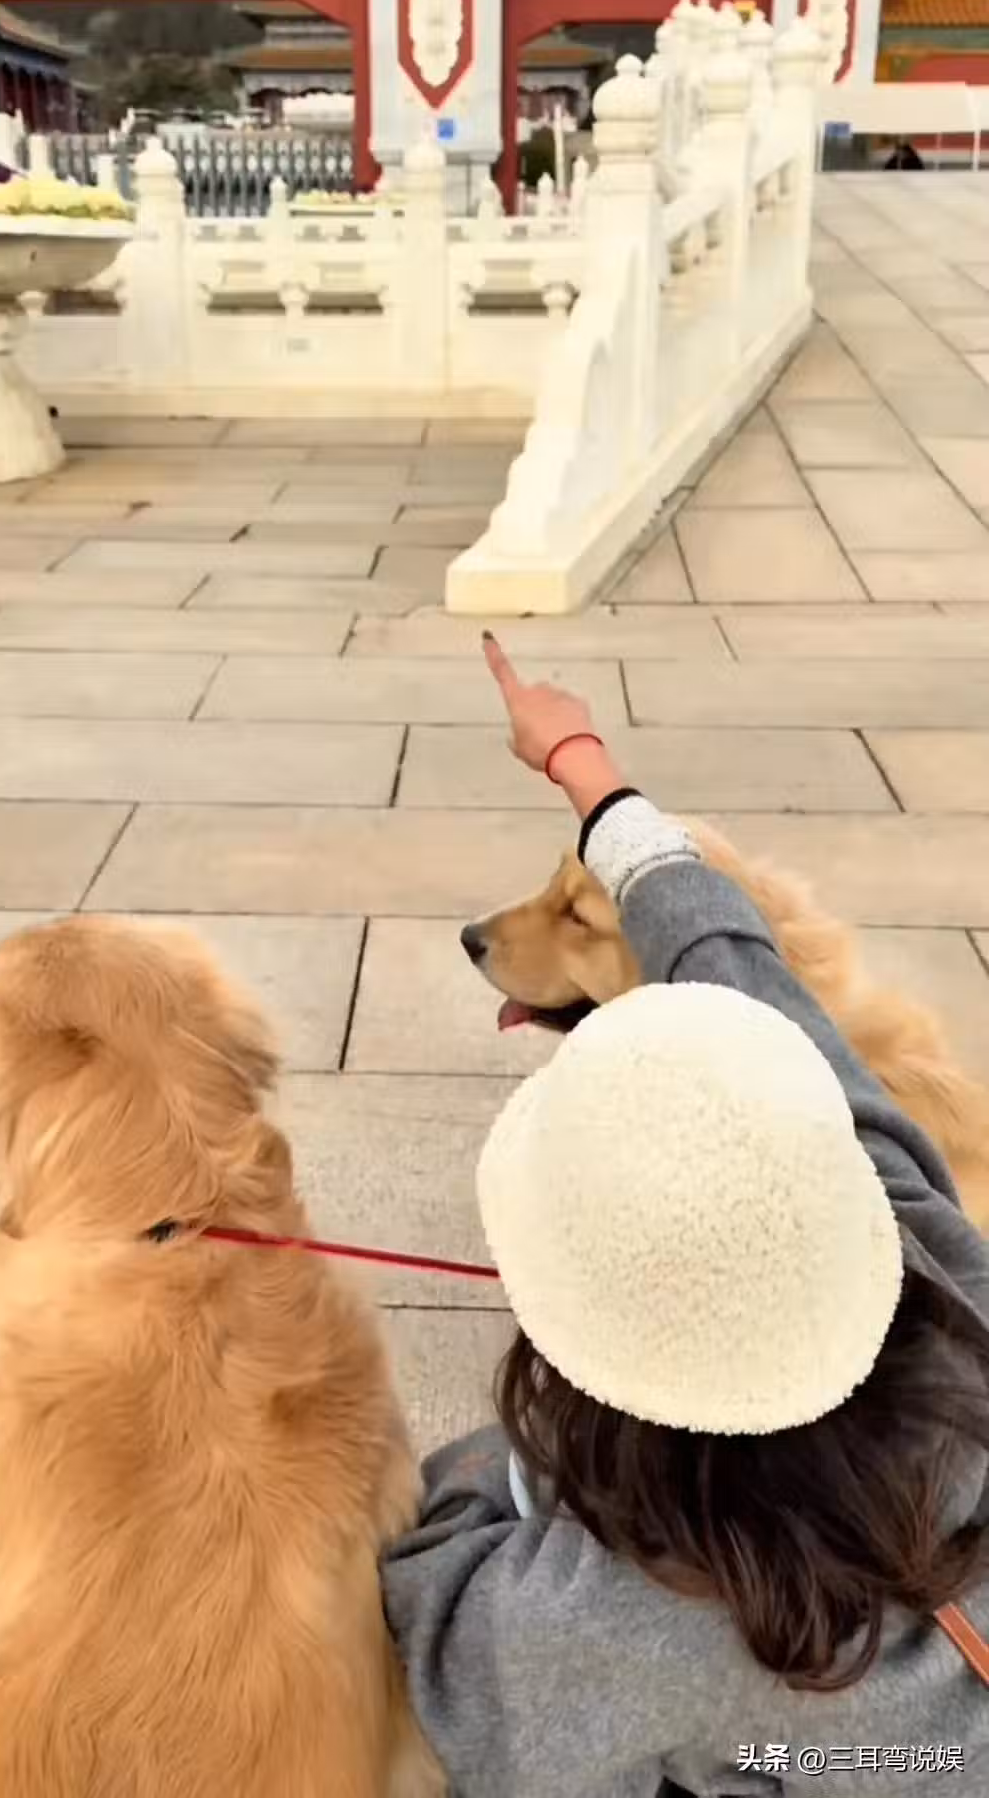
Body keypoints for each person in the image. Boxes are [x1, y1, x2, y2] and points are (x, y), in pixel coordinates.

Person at [380, 636, 989, 1798]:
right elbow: (744, 975)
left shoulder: (645, 1620)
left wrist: (508, 1466)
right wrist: (586, 770)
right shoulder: (931, 1242)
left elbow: (436, 1646)